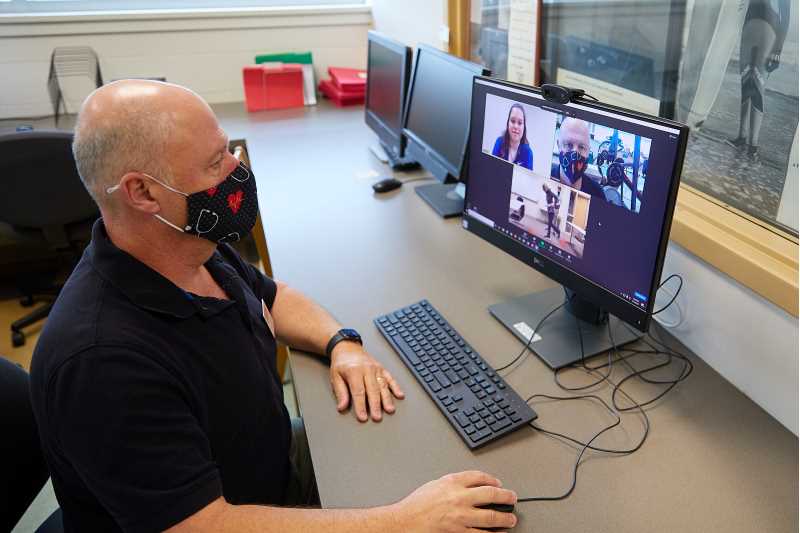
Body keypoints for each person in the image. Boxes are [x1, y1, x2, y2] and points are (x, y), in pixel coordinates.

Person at [29, 80, 518, 533]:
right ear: (143, 193)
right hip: (230, 515)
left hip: (267, 467)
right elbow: (202, 525)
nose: (237, 170)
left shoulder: (190, 247)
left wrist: (341, 344)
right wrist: (400, 521)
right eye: (216, 160)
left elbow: (274, 296)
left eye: (229, 149)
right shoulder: (102, 361)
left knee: (427, 457)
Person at [727, 0, 791, 160]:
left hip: (769, 29)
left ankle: (753, 145)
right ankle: (741, 137)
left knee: (757, 85)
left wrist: (778, 49)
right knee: (746, 82)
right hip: (748, 29)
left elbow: (786, 16)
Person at [551, 117, 604, 199]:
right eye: (568, 145)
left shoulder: (597, 194)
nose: (575, 154)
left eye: (581, 147)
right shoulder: (545, 178)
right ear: (558, 145)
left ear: (588, 151)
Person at [491, 103, 534, 169]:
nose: (516, 126)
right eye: (513, 121)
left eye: (520, 123)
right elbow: (491, 168)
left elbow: (527, 179)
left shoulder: (528, 153)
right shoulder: (499, 142)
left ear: (524, 127)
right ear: (508, 123)